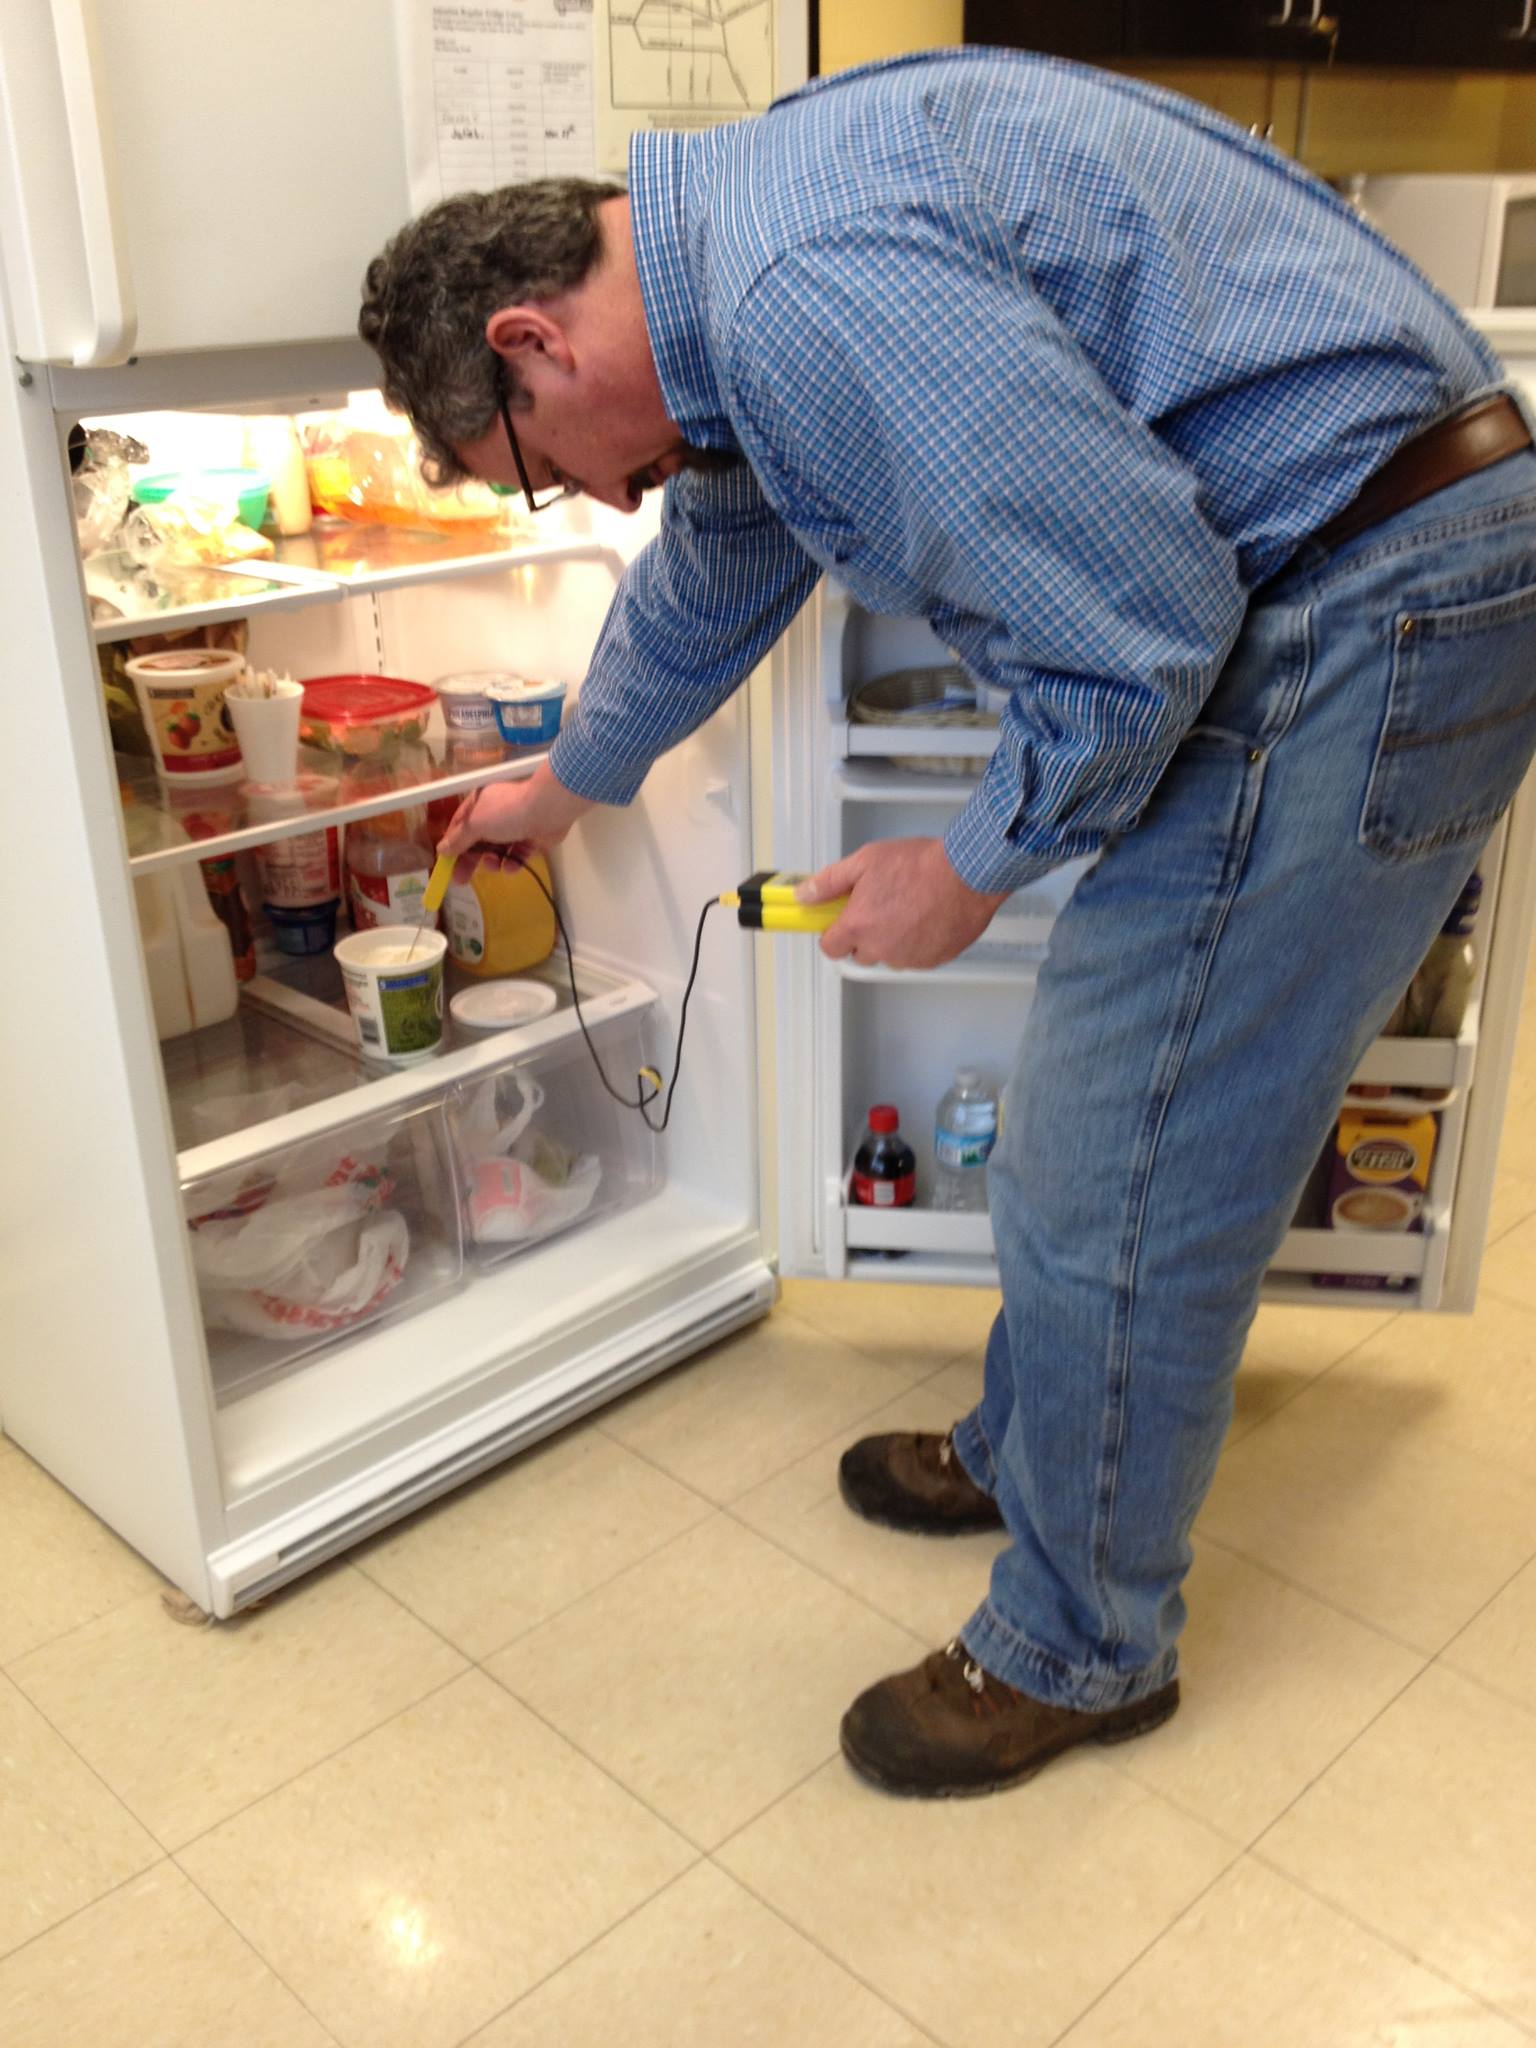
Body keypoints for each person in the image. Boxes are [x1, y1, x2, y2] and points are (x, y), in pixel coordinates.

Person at [359, 48, 1536, 1799]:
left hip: (1374, 603)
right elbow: (717, 562)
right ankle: (1036, 1443)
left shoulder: (799, 292)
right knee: (1104, 1117)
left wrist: (964, 863)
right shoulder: (737, 256)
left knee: (1121, 1156)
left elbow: (1136, 627)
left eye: (536, 473)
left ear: (536, 341)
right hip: (1354, 572)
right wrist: (565, 782)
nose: (599, 505)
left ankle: (1083, 1643)